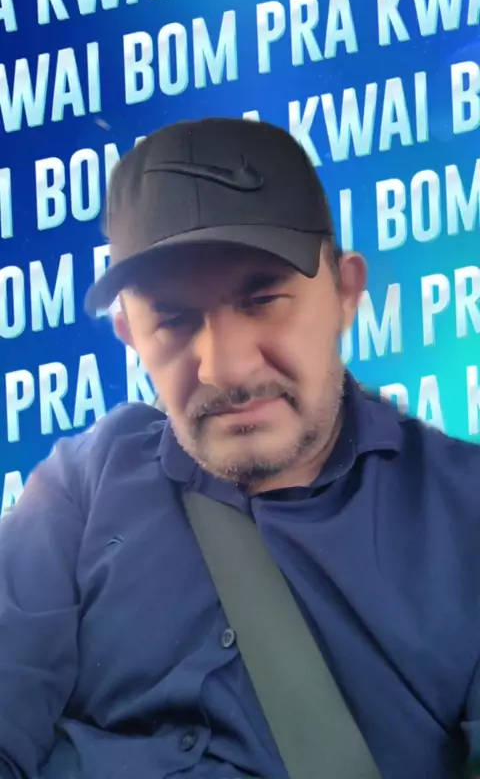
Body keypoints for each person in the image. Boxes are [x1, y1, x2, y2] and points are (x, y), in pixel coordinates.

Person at [0, 117, 478, 779]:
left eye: (263, 300)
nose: (224, 368)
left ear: (345, 292)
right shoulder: (80, 484)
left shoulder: (466, 513)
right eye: (173, 319)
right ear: (130, 335)